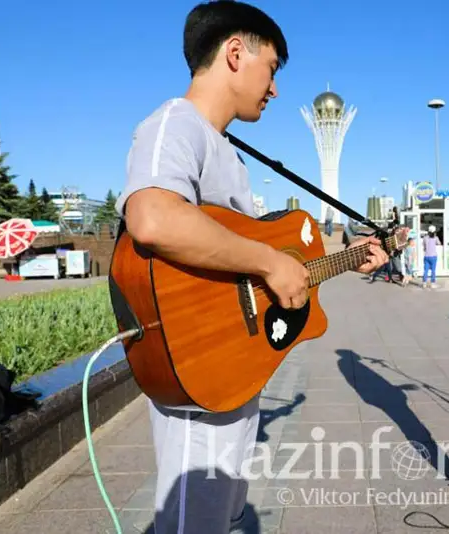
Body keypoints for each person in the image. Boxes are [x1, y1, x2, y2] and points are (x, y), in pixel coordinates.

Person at [114, 3, 389, 532]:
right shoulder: (176, 123)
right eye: (273, 69)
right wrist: (269, 261)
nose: (275, 89)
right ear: (236, 53)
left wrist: (343, 260)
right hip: (200, 366)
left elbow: (250, 264)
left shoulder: (227, 152)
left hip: (234, 372)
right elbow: (151, 218)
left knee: (224, 518)